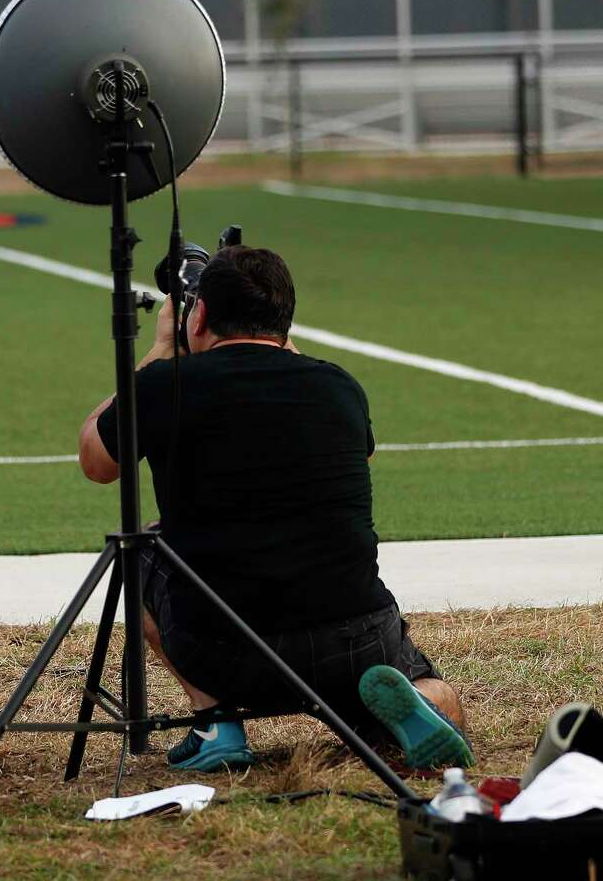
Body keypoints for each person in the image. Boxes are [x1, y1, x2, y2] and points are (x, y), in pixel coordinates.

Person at [77, 244, 471, 772]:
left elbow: (96, 461)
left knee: (144, 545)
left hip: (228, 650)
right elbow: (364, 451)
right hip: (356, 640)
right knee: (418, 679)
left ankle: (214, 720)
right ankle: (422, 704)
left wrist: (161, 350)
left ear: (200, 315)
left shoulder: (164, 386)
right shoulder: (338, 386)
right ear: (286, 323)